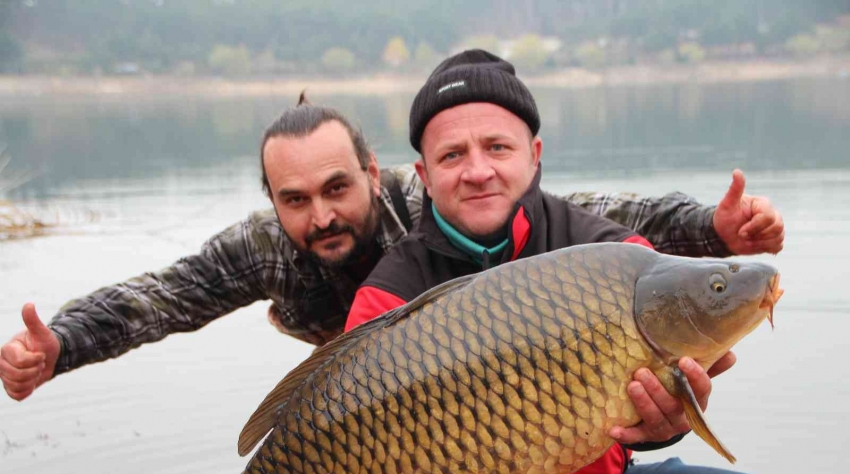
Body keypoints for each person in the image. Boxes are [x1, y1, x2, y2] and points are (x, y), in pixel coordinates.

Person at [326, 49, 803, 474]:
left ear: (534, 155)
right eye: (452, 156)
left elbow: (647, 415)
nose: (478, 170)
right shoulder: (386, 298)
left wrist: (669, 424)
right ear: (423, 173)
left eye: (497, 147)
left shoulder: (616, 262)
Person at [0, 97, 782, 403]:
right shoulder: (264, 248)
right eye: (295, 201)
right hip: (354, 399)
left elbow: (598, 215)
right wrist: (60, 344)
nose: (322, 216)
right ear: (272, 202)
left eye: (338, 188)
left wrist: (714, 232)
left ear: (374, 174)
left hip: (479, 382)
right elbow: (159, 299)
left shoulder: (432, 209)